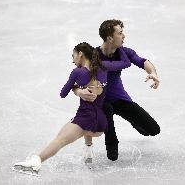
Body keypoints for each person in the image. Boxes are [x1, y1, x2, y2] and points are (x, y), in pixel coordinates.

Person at [12, 42, 131, 176]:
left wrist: (78, 89)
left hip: (86, 119)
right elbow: (126, 62)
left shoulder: (77, 72)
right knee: (85, 126)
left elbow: (63, 93)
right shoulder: (104, 67)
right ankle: (88, 149)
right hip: (101, 124)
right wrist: (118, 46)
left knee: (60, 139)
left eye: (73, 56)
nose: (73, 60)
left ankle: (36, 163)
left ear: (80, 54)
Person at [73, 19, 161, 161]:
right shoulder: (93, 55)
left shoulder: (123, 52)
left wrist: (153, 73)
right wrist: (79, 92)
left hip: (120, 99)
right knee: (112, 155)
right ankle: (112, 143)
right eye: (120, 33)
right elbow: (74, 81)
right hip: (101, 103)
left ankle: (134, 121)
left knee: (153, 130)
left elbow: (143, 61)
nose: (124, 36)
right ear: (109, 38)